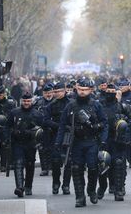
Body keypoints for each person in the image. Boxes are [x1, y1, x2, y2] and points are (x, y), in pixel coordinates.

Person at [55, 79, 108, 207]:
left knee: (93, 167)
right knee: (76, 169)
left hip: (92, 141)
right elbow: (62, 125)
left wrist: (102, 139)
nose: (82, 92)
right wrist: (58, 142)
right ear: (76, 89)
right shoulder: (70, 106)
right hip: (76, 142)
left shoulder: (96, 105)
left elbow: (105, 124)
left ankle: (91, 190)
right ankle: (80, 197)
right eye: (80, 89)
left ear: (90, 90)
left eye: (85, 90)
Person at [97, 83, 131, 201]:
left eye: (113, 92)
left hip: (118, 140)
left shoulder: (122, 107)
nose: (111, 95)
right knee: (102, 164)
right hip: (104, 140)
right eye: (109, 92)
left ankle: (119, 189)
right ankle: (102, 187)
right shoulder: (99, 106)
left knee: (119, 164)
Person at [6, 92, 43, 197]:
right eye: (24, 101)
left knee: (30, 165)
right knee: (18, 164)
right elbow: (7, 126)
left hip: (31, 144)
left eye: (28, 101)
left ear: (31, 101)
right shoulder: (14, 113)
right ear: (21, 101)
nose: (26, 103)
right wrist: (11, 134)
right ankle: (19, 187)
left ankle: (28, 186)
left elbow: (42, 130)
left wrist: (39, 141)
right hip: (17, 142)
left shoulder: (37, 114)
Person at [43, 82, 72, 195]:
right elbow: (45, 121)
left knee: (68, 162)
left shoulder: (71, 104)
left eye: (58, 91)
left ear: (64, 91)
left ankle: (66, 185)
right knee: (55, 162)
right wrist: (58, 126)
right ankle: (56, 183)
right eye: (54, 92)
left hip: (69, 135)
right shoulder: (51, 105)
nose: (56, 94)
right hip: (55, 135)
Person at [33, 83, 54, 176]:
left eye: (49, 92)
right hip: (42, 130)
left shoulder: (56, 102)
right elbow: (33, 115)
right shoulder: (38, 103)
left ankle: (52, 167)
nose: (48, 95)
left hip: (54, 129)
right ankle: (44, 168)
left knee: (53, 149)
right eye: (46, 93)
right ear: (43, 93)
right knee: (42, 149)